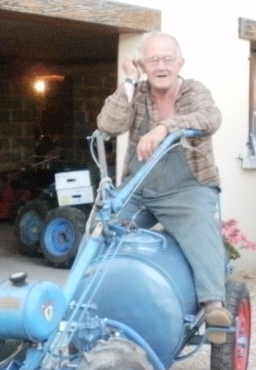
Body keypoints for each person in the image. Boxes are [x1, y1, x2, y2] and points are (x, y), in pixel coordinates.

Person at [96, 31, 231, 343]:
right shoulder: (138, 92)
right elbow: (109, 126)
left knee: (200, 226)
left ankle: (213, 304)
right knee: (104, 230)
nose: (161, 66)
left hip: (187, 188)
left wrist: (163, 128)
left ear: (179, 62)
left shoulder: (195, 91)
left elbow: (210, 117)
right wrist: (129, 81)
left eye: (167, 59)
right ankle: (85, 303)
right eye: (153, 59)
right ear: (142, 63)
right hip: (140, 187)